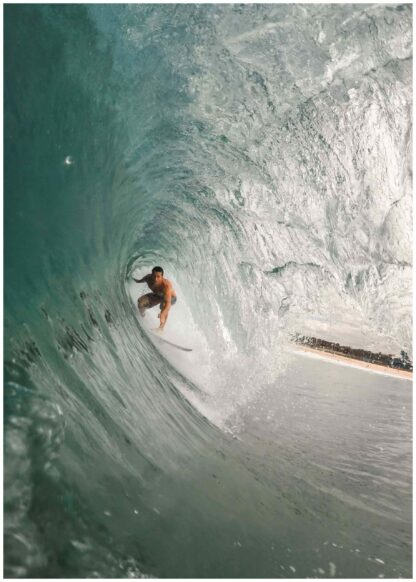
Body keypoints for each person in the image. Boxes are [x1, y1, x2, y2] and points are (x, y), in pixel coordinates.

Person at [133, 266, 177, 331]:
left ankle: (161, 328)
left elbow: (168, 303)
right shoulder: (148, 278)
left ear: (162, 277)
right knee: (140, 302)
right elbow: (139, 281)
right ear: (151, 274)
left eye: (158, 276)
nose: (155, 279)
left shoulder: (166, 286)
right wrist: (135, 280)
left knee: (163, 306)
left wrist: (163, 313)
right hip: (158, 295)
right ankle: (142, 316)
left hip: (171, 298)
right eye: (154, 276)